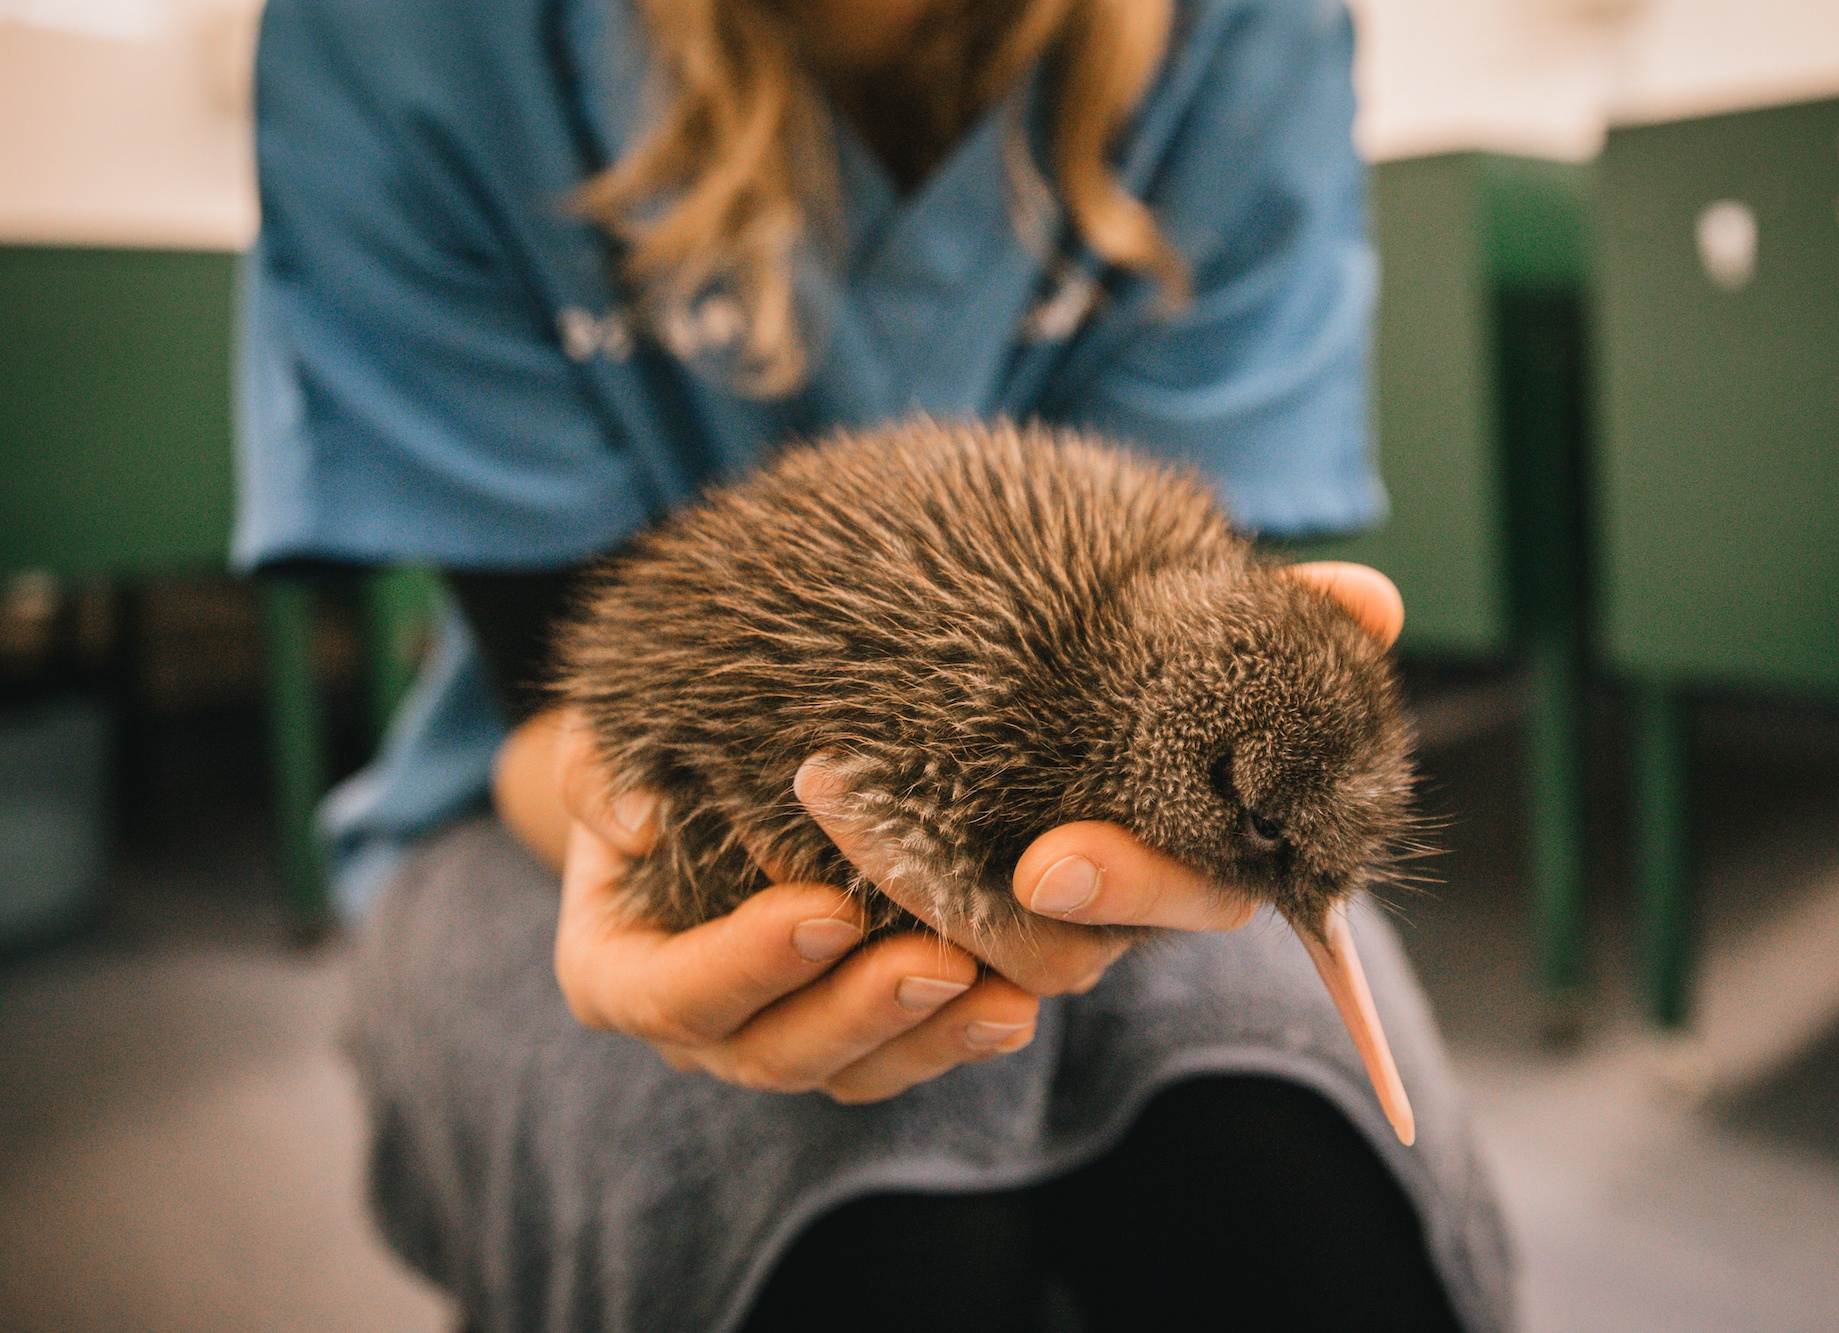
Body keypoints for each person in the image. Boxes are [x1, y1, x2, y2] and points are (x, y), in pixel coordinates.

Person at [237, 0, 1514, 1328]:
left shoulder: (1243, 32)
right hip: (543, 777)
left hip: (1115, 776)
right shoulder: (407, 33)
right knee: (858, 1239)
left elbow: (1191, 627)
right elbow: (571, 686)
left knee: (1300, 1177)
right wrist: (649, 828)